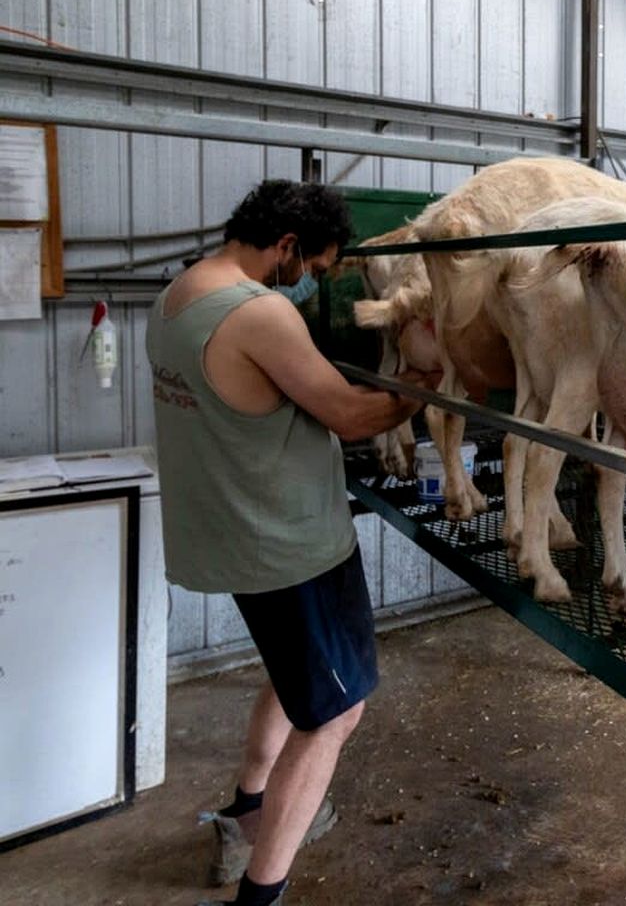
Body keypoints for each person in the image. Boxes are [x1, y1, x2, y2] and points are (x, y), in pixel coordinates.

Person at [147, 180, 433, 906]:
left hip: (234, 533)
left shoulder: (177, 297)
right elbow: (347, 414)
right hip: (290, 544)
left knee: (293, 672)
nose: (311, 282)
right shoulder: (259, 312)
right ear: (284, 247)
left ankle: (248, 802)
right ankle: (262, 889)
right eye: (311, 267)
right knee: (335, 711)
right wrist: (424, 383)